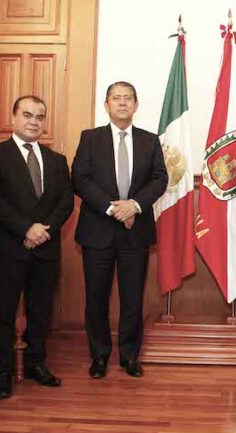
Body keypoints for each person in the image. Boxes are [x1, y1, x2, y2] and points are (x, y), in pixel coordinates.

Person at [72, 81, 167, 379]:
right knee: (96, 297)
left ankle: (129, 356)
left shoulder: (150, 140)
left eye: (128, 98)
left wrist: (134, 206)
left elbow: (159, 179)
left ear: (136, 105)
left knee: (132, 298)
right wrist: (114, 209)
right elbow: (80, 179)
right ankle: (99, 356)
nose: (122, 102)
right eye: (116, 98)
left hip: (135, 231)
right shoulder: (90, 138)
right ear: (106, 104)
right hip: (97, 230)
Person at [0, 95, 74, 399]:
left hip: (45, 247)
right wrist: (26, 228)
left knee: (41, 310)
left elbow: (65, 202)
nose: (34, 122)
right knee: (4, 310)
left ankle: (36, 363)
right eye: (27, 115)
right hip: (9, 247)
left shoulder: (57, 160)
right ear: (13, 118)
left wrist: (43, 230)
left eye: (39, 117)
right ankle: (2, 370)